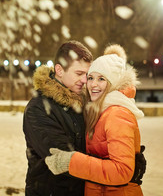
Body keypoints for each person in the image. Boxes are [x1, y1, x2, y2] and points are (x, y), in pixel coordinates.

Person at [45, 44, 145, 196]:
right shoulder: (99, 111)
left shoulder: (117, 114)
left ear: (113, 83)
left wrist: (72, 161)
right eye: (90, 78)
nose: (93, 84)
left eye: (101, 79)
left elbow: (122, 170)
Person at [23, 40, 93, 196]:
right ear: (59, 70)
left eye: (87, 74)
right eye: (79, 73)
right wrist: (114, 169)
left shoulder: (83, 103)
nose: (84, 80)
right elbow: (64, 159)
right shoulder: (38, 108)